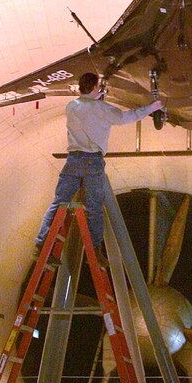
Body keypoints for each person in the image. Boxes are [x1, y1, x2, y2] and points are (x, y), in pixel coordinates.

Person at [34, 72, 163, 259]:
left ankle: (41, 244)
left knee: (58, 202)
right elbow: (126, 117)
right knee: (94, 207)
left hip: (72, 160)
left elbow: (87, 110)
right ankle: (94, 251)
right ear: (95, 87)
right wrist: (152, 107)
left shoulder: (71, 106)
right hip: (92, 161)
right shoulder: (102, 108)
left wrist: (96, 100)